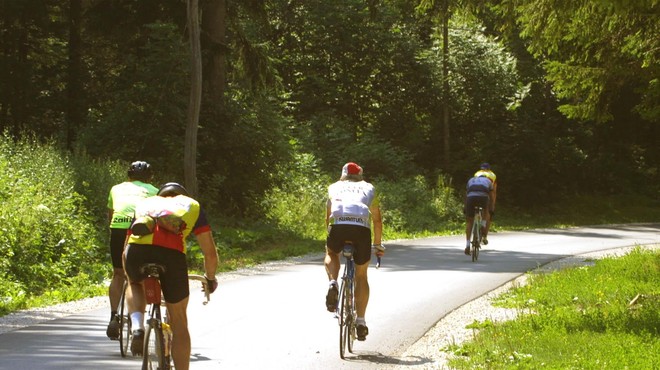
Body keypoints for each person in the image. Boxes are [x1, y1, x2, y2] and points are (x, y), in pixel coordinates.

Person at [123, 182, 219, 370]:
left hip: (136, 252)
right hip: (171, 255)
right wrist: (210, 278)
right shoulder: (192, 205)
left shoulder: (145, 204)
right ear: (182, 195)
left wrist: (129, 275)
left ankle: (137, 326)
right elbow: (210, 253)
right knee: (179, 320)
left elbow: (126, 246)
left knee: (134, 283)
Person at [324, 162, 383, 341]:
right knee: (361, 275)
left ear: (342, 175)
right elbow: (377, 220)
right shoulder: (369, 188)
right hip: (361, 229)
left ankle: (333, 283)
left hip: (338, 225)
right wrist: (378, 245)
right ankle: (361, 322)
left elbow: (328, 217)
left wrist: (330, 241)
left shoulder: (334, 187)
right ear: (360, 176)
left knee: (332, 253)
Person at [105, 161, 158, 340]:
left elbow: (111, 215)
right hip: (139, 230)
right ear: (149, 178)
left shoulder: (116, 188)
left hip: (118, 230)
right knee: (137, 277)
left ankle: (114, 316)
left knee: (118, 274)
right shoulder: (154, 191)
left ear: (128, 176)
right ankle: (137, 318)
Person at [464, 173, 494, 255]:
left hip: (471, 198)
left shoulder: (471, 180)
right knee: (486, 209)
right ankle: (483, 227)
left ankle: (467, 245)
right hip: (483, 197)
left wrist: (465, 206)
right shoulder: (488, 181)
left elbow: (466, 194)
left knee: (469, 221)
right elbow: (491, 196)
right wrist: (492, 208)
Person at [473, 162, 497, 244]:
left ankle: (474, 221)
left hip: (474, 194)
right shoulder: (492, 175)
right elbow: (493, 191)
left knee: (475, 208)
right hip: (486, 194)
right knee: (487, 213)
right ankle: (484, 235)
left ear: (481, 168)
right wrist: (493, 204)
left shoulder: (477, 173)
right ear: (489, 169)